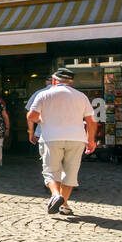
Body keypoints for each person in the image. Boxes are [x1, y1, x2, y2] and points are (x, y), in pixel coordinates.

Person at [26, 69, 97, 216]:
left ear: (54, 81)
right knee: (71, 172)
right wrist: (90, 140)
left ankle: (55, 195)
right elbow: (91, 121)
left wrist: (40, 120)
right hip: (76, 138)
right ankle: (64, 205)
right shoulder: (81, 96)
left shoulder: (44, 94)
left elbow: (31, 116)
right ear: (72, 82)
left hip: (51, 137)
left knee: (51, 170)